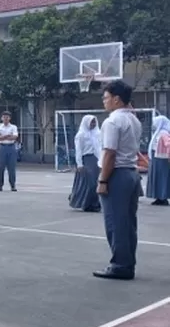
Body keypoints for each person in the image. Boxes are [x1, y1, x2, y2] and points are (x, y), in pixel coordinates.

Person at [93, 80, 142, 280]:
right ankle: (128, 262)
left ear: (116, 99)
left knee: (116, 222)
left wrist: (103, 181)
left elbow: (110, 154)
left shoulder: (112, 122)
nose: (104, 101)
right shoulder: (134, 120)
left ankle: (120, 265)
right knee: (129, 222)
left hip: (117, 174)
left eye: (106, 98)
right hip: (131, 173)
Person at [69, 115, 102, 212]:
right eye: (91, 122)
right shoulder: (81, 135)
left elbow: (100, 147)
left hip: (97, 159)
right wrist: (79, 164)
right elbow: (78, 150)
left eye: (94, 122)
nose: (93, 124)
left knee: (96, 182)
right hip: (87, 159)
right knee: (90, 183)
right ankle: (87, 203)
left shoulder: (98, 133)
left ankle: (94, 204)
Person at [146, 115, 170, 206]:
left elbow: (168, 145)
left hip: (162, 160)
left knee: (162, 179)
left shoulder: (164, 133)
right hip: (157, 159)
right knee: (156, 178)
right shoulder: (159, 132)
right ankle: (158, 197)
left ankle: (163, 197)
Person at [0, 111, 19, 192]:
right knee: (1, 167)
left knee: (11, 168)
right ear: (1, 118)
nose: (5, 119)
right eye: (4, 117)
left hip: (11, 147)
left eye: (7, 117)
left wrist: (3, 137)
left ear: (10, 118)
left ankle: (13, 185)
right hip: (2, 147)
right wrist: (7, 136)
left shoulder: (13, 127)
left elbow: (14, 137)